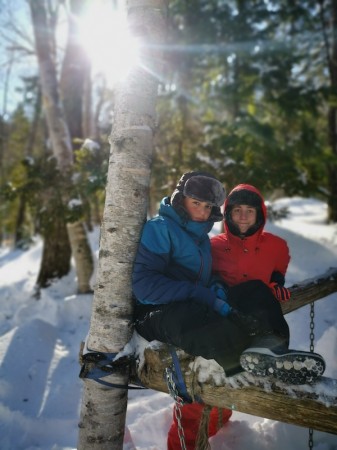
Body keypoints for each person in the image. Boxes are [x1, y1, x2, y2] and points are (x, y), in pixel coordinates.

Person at [132, 171, 236, 450]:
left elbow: (203, 276)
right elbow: (144, 286)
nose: (202, 212)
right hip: (151, 313)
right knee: (195, 323)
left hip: (182, 307)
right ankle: (241, 364)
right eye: (196, 203)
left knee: (234, 311)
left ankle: (257, 354)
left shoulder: (199, 236)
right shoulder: (161, 228)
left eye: (208, 206)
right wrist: (197, 293)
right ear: (181, 199)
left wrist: (215, 289)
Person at [211, 183, 326, 384]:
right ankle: (275, 346)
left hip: (259, 313)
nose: (243, 216)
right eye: (237, 210)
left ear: (260, 214)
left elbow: (280, 266)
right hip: (227, 308)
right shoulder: (214, 246)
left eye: (250, 211)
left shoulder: (276, 245)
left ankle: (274, 355)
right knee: (256, 287)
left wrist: (276, 282)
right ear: (228, 214)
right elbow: (206, 274)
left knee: (259, 290)